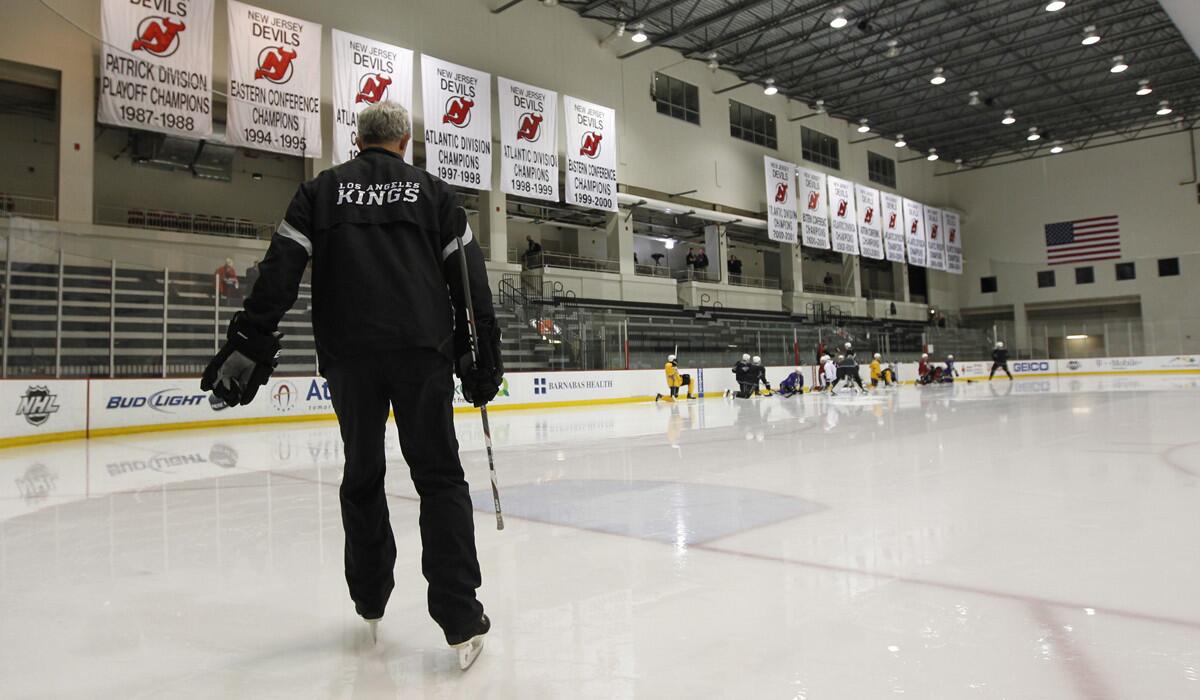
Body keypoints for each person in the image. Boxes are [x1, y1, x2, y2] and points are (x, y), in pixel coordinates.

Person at [199, 102, 497, 670]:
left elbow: (279, 270)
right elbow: (469, 282)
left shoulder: (320, 192)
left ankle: (370, 597)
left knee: (362, 472)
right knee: (439, 478)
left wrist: (249, 340)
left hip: (349, 355)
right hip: (421, 353)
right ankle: (460, 620)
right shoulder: (435, 194)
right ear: (405, 142)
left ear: (356, 141)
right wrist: (479, 354)